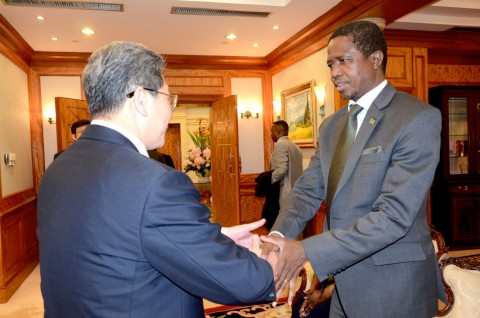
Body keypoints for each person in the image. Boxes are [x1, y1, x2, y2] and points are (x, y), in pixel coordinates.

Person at [37, 41, 277, 318]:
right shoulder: (157, 182)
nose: (171, 109)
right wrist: (266, 261)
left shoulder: (59, 167)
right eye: (169, 98)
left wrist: (213, 238)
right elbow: (245, 283)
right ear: (141, 99)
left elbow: (114, 239)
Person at [261, 20, 444, 318]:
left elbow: (393, 216)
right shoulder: (332, 126)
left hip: (393, 287)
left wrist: (307, 251)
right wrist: (279, 237)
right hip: (341, 285)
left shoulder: (417, 118)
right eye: (331, 63)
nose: (334, 73)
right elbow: (308, 190)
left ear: (375, 59)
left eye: (344, 61)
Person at [257, 120, 303, 230]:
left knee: (283, 226)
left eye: (272, 131)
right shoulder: (295, 147)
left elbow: (282, 169)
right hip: (297, 191)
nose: (271, 134)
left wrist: (267, 180)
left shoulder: (280, 145)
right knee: (294, 225)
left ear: (277, 131)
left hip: (284, 192)